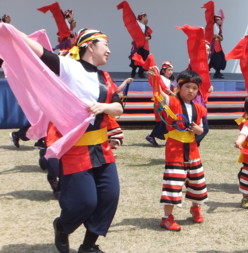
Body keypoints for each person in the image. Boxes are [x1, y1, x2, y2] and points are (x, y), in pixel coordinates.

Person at [13, 26, 123, 253]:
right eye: (105, 45)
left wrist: (104, 106)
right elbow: (40, 52)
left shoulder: (105, 77)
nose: (109, 50)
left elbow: (118, 107)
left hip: (102, 148)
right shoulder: (69, 68)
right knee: (85, 202)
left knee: (109, 198)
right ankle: (62, 226)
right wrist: (10, 31)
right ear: (90, 46)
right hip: (76, 149)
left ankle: (88, 246)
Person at [148, 69, 208, 232]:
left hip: (193, 151)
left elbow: (201, 129)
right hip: (175, 151)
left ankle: (196, 208)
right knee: (173, 184)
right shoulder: (172, 102)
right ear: (179, 87)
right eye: (187, 87)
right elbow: (159, 93)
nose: (191, 91)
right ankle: (167, 218)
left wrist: (198, 131)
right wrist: (154, 77)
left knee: (197, 182)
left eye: (194, 88)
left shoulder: (200, 108)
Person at [146, 61, 175, 146]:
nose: (170, 72)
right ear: (163, 70)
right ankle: (152, 136)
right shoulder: (161, 78)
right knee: (163, 121)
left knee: (165, 122)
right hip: (161, 102)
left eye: (171, 70)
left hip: (167, 102)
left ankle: (167, 138)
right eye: (169, 70)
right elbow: (164, 90)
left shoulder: (168, 80)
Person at [129, 12, 152, 78]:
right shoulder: (136, 25)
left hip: (145, 46)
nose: (147, 19)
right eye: (146, 17)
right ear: (142, 17)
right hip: (137, 45)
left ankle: (141, 72)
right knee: (136, 58)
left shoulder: (146, 27)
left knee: (145, 59)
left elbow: (149, 36)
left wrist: (148, 37)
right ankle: (133, 71)